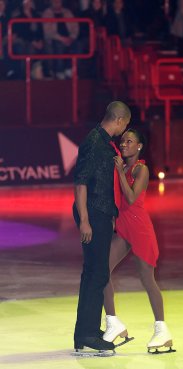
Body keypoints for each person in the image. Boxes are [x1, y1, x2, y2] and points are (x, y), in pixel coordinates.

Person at [103, 128, 174, 353]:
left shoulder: (141, 169)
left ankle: (162, 331)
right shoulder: (122, 167)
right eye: (123, 141)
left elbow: (132, 197)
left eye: (129, 141)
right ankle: (113, 323)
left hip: (140, 229)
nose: (124, 144)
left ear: (139, 146)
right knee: (101, 271)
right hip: (124, 228)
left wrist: (119, 172)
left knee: (147, 280)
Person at [73, 101, 131, 352]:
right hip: (93, 215)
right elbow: (81, 183)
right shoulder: (95, 142)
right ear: (119, 121)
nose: (124, 129)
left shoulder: (102, 140)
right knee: (97, 273)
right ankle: (87, 333)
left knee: (94, 272)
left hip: (100, 214)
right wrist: (85, 220)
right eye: (125, 125)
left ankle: (84, 331)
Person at [42, 0, 79, 79]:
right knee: (58, 45)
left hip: (69, 37)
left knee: (78, 45)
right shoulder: (47, 13)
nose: (57, 3)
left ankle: (70, 69)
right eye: (55, 2)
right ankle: (59, 71)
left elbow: (75, 26)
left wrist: (72, 37)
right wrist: (62, 39)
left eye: (58, 2)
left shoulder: (67, 12)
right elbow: (48, 31)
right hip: (55, 38)